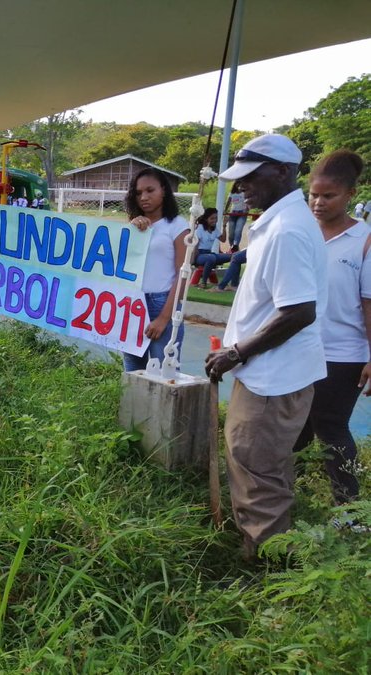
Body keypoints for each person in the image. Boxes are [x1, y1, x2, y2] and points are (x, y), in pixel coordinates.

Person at [205, 134, 327, 562]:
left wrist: (237, 352)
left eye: (250, 177)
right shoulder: (279, 222)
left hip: (272, 377)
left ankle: (268, 569)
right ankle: (269, 549)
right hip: (271, 372)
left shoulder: (287, 231)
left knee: (256, 470)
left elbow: (299, 312)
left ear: (282, 171)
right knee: (265, 466)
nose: (241, 187)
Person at [291, 150, 370, 507]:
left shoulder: (364, 241)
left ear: (350, 195)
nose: (318, 203)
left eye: (328, 196)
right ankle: (289, 501)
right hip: (298, 347)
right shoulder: (302, 232)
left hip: (343, 353)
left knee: (331, 428)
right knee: (296, 428)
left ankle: (350, 511)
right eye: (313, 195)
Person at [125, 168, 189, 372]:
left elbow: (183, 274)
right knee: (133, 373)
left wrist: (163, 318)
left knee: (164, 374)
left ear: (164, 190)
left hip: (162, 303)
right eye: (138, 193)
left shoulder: (177, 225)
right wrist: (133, 230)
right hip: (133, 304)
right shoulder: (135, 227)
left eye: (150, 190)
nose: (143, 197)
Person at [193, 208, 231, 288]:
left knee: (233, 256)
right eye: (212, 218)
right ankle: (203, 282)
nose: (215, 220)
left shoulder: (214, 229)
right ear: (206, 219)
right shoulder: (200, 228)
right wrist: (194, 261)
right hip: (199, 255)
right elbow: (195, 246)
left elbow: (223, 240)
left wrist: (224, 226)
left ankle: (230, 284)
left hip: (210, 254)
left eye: (216, 218)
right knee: (211, 258)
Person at [223, 180, 249, 251]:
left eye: (241, 185)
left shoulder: (244, 193)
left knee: (238, 230)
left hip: (242, 213)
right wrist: (225, 210)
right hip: (233, 213)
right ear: (235, 186)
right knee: (231, 233)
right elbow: (228, 202)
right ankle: (232, 247)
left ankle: (235, 244)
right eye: (238, 185)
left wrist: (247, 210)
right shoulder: (232, 193)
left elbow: (248, 202)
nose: (239, 187)